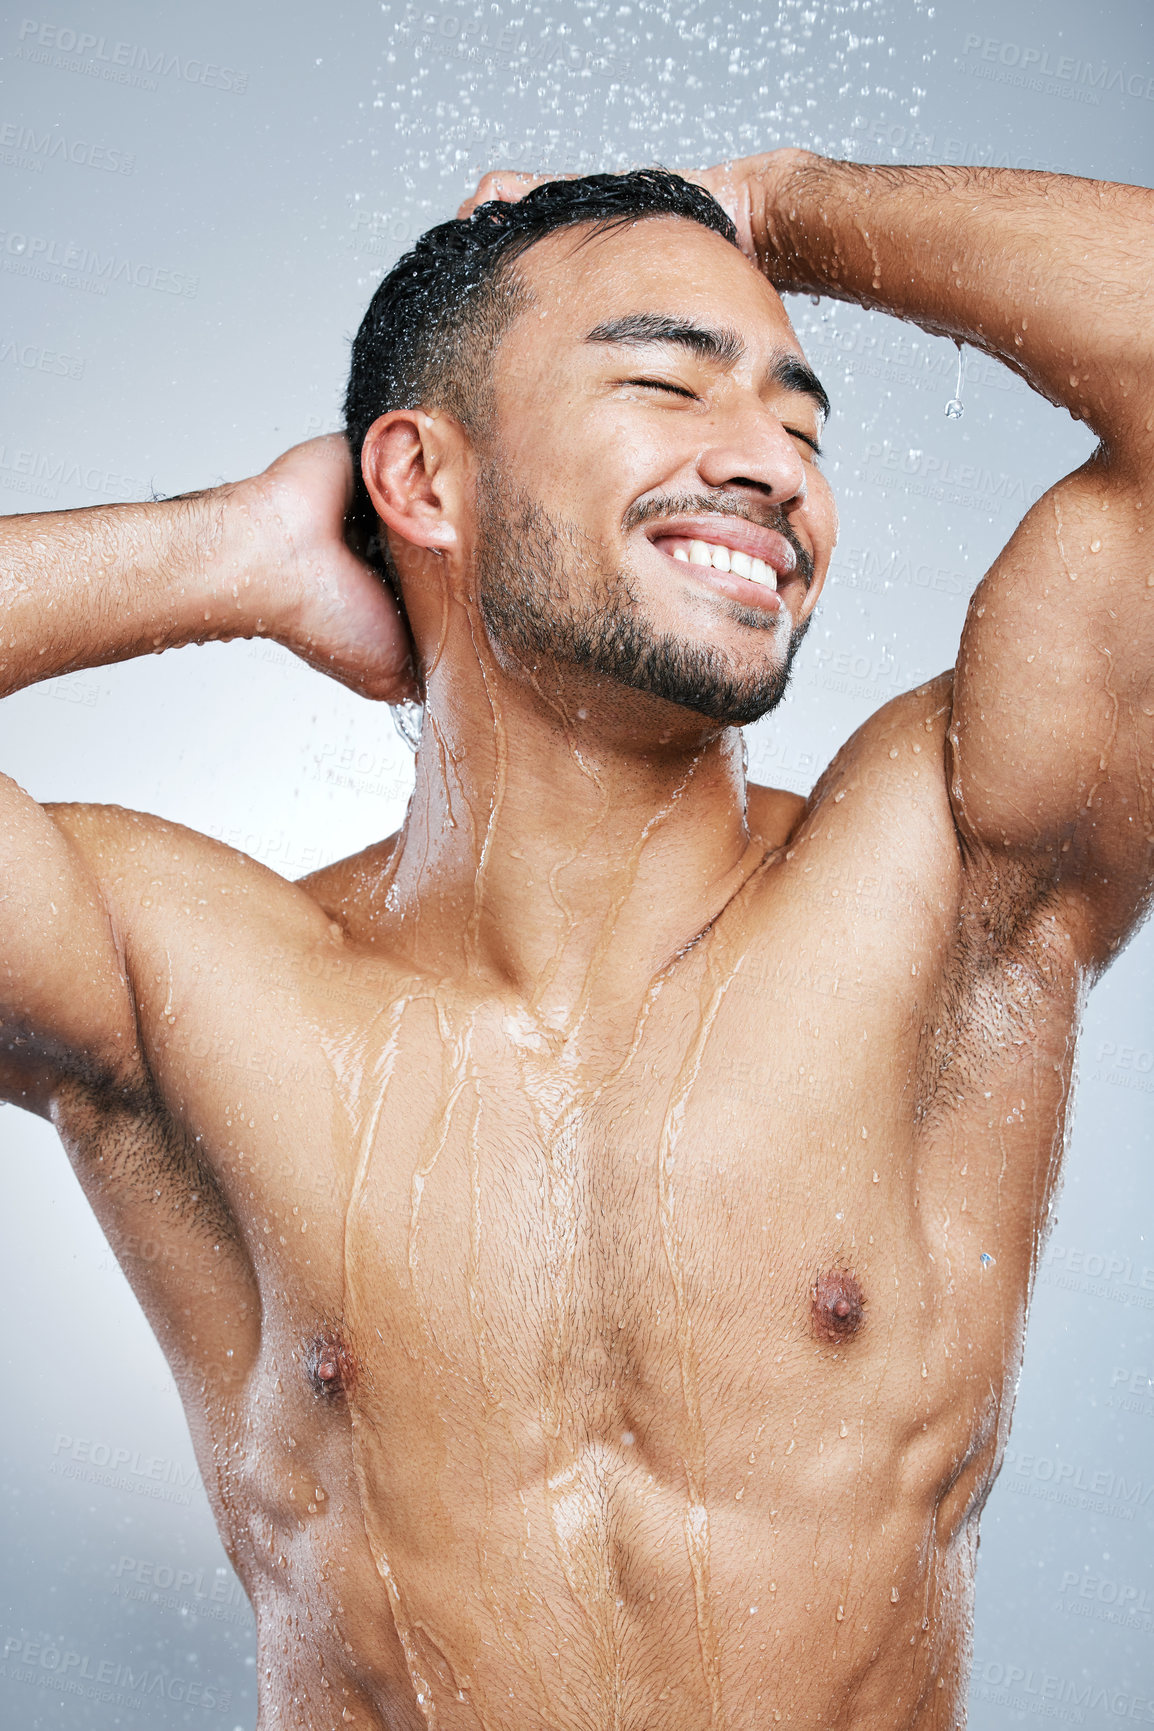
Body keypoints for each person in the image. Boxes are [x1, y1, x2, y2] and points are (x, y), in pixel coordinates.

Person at [0, 152, 1150, 1730]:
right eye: (668, 386)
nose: (768, 464)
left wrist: (769, 208)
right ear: (419, 481)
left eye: (802, 423)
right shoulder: (186, 978)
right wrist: (235, 551)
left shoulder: (948, 876)